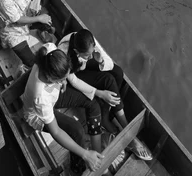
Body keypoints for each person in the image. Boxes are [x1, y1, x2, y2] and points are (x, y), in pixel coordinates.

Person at [58, 30, 152, 159]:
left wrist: (100, 60)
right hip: (74, 75)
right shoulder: (63, 52)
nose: (90, 57)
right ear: (76, 51)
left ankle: (109, 115)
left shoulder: (90, 43)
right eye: (87, 55)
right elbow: (74, 81)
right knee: (108, 80)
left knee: (117, 73)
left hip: (83, 66)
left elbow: (110, 63)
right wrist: (100, 93)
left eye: (91, 53)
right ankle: (129, 134)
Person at [22, 43, 104, 174]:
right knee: (77, 130)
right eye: (61, 79)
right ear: (50, 78)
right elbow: (56, 132)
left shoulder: (49, 51)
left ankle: (98, 154)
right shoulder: (40, 97)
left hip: (53, 96)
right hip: (37, 116)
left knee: (91, 102)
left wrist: (63, 80)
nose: (65, 80)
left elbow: (49, 46)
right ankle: (77, 168)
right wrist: (85, 154)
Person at [0, 0, 54, 67]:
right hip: (13, 31)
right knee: (31, 62)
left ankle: (42, 31)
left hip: (28, 16)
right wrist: (39, 18)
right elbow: (18, 20)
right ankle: (40, 31)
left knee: (48, 20)